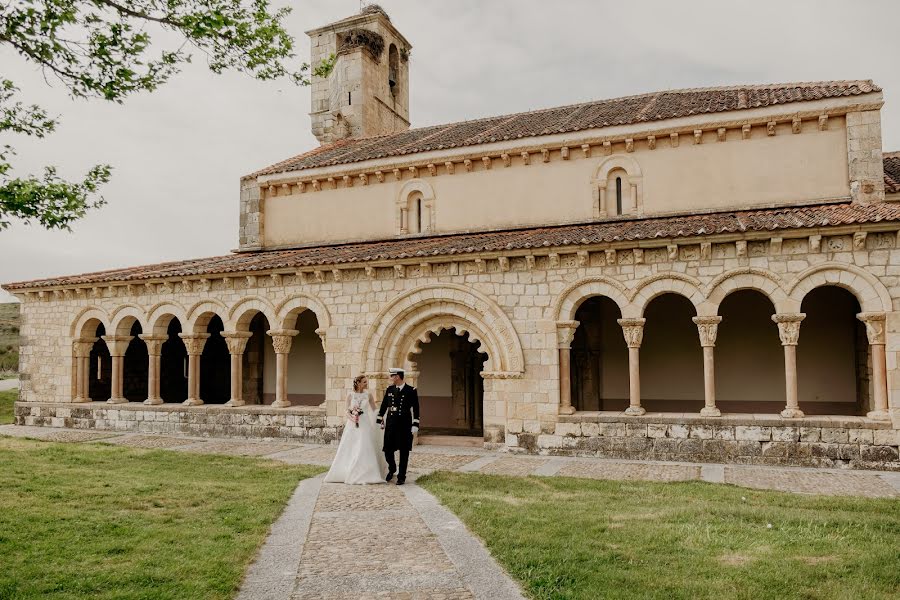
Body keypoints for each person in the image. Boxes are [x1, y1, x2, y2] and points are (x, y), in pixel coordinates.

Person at [324, 374, 388, 484]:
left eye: (366, 382)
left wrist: (381, 417)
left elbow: (374, 410)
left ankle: (367, 472)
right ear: (358, 383)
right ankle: (347, 471)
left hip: (365, 424)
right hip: (352, 424)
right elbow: (346, 411)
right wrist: (353, 418)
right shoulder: (350, 395)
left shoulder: (368, 395)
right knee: (351, 446)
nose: (366, 383)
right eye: (364, 382)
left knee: (364, 445)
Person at [376, 367, 420, 485]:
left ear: (397, 376)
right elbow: (384, 405)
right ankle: (392, 468)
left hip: (404, 425)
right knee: (387, 450)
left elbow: (416, 408)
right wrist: (379, 418)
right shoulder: (389, 389)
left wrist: (415, 423)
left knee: (404, 451)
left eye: (392, 376)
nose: (390, 378)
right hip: (391, 424)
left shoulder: (411, 390)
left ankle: (402, 476)